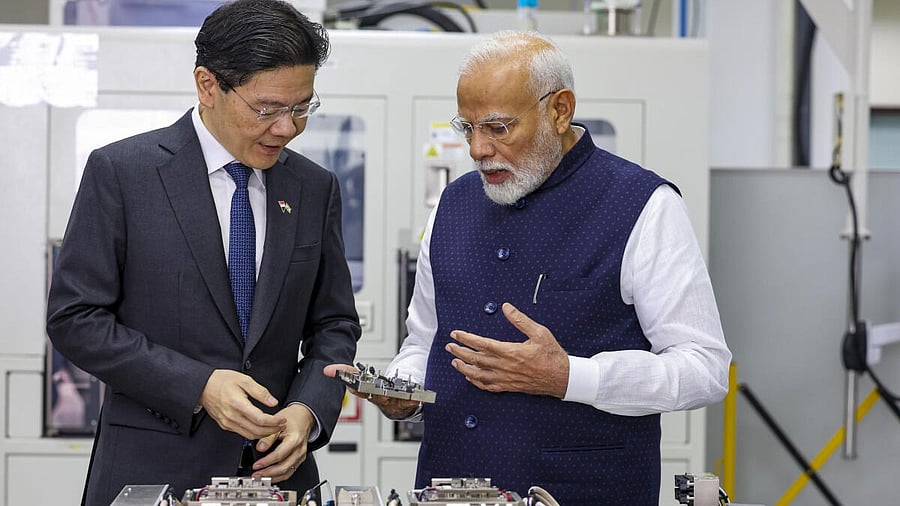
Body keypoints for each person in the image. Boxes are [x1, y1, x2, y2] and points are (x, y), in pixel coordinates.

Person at [326, 31, 730, 505]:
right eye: (467, 127)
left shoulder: (643, 207)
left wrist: (571, 377)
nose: (477, 149)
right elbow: (425, 339)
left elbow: (705, 368)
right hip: (447, 486)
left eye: (498, 128)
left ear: (559, 110)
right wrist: (405, 387)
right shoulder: (452, 205)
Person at [46, 1, 360, 504]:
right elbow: (75, 318)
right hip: (152, 471)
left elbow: (335, 325)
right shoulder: (124, 173)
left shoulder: (312, 187)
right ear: (208, 85)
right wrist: (198, 386)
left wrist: (308, 411)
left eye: (301, 107)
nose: (287, 128)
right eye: (267, 109)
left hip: (276, 479)